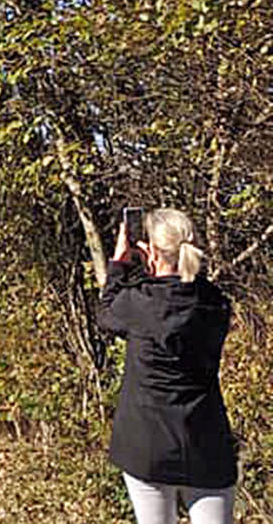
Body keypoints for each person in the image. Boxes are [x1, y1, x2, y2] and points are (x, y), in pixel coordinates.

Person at [99, 208, 237, 524]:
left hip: (146, 444)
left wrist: (120, 263)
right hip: (205, 442)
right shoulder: (215, 303)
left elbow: (106, 314)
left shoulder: (139, 302)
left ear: (152, 251)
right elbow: (184, 294)